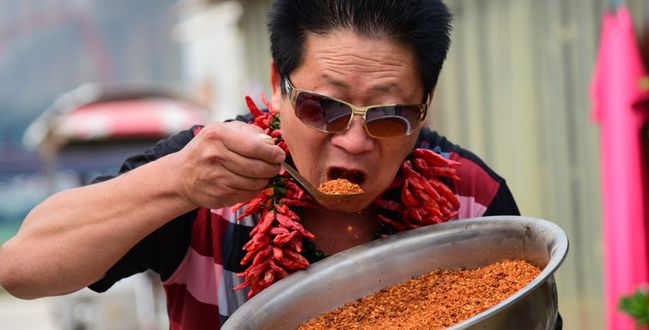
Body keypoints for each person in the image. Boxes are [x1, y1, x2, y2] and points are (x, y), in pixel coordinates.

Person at [0, 0, 556, 329]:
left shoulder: (470, 198)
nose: (355, 142)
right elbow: (21, 268)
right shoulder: (204, 173)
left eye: (389, 115)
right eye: (323, 107)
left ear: (425, 106)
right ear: (277, 86)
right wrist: (175, 181)